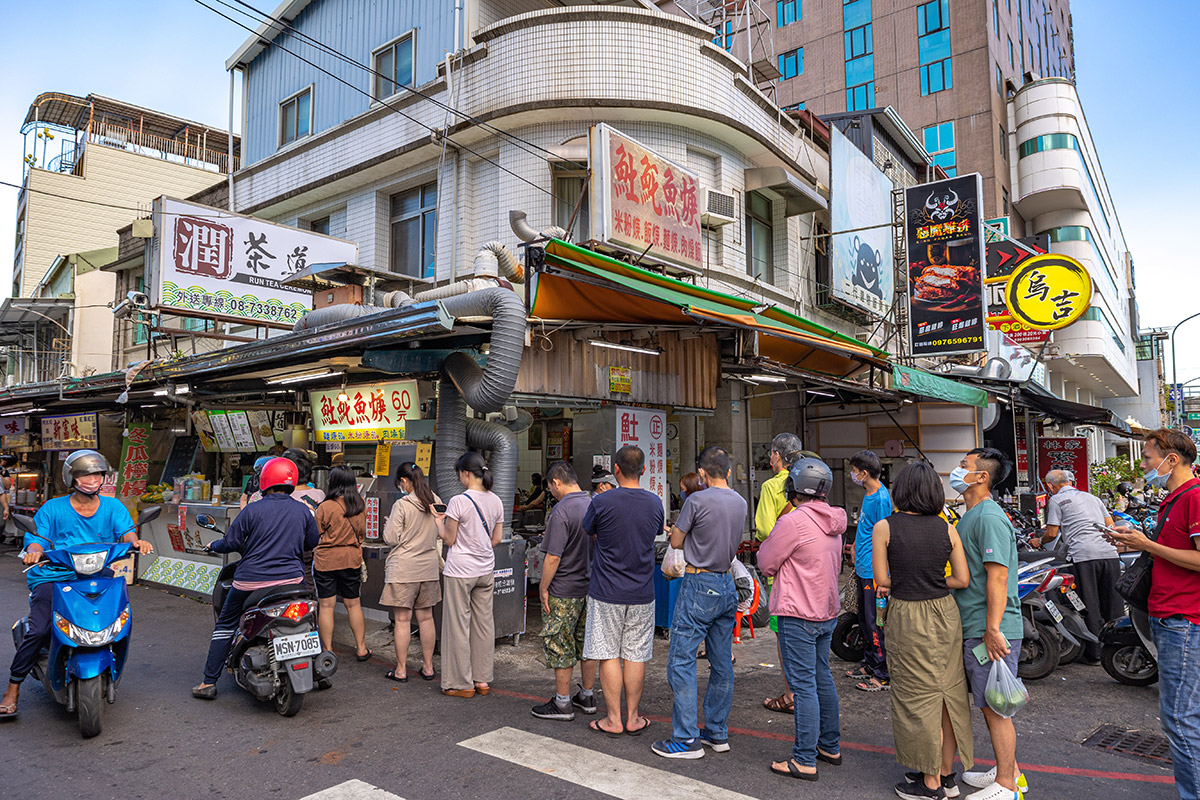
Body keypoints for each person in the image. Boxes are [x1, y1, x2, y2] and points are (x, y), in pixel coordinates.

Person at [0, 451, 153, 718]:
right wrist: (34, 551)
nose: (92, 480)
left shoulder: (113, 507)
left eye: (98, 475)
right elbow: (37, 539)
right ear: (72, 478)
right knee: (39, 629)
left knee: (119, 620)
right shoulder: (53, 508)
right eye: (85, 474)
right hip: (54, 575)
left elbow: (127, 533)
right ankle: (13, 689)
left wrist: (136, 542)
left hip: (97, 574)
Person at [1106, 429, 1200, 800]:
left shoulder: (1194, 497)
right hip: (1167, 616)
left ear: (1171, 459)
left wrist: (1147, 543)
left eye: (1147, 458)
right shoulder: (1172, 499)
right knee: (1184, 716)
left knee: (1180, 719)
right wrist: (1135, 540)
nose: (1143, 465)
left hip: (1183, 620)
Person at [873, 461, 974, 800]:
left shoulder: (885, 527)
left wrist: (907, 580)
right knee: (948, 693)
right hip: (945, 612)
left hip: (908, 614)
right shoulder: (947, 527)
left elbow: (882, 579)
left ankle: (929, 784)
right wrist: (934, 581)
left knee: (916, 696)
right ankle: (946, 775)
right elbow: (962, 579)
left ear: (901, 491)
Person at [192, 457, 318, 699]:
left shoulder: (252, 510)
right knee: (309, 619)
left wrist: (213, 545)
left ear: (264, 481)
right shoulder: (302, 510)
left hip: (251, 582)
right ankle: (318, 673)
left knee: (225, 624)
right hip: (292, 582)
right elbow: (312, 542)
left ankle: (208, 682)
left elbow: (231, 542)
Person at [653, 447, 747, 759]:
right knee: (721, 662)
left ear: (703, 474)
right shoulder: (740, 501)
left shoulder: (696, 501)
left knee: (681, 661)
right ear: (729, 472)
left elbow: (676, 540)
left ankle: (685, 739)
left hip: (699, 583)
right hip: (726, 583)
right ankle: (717, 732)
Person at [757, 457, 846, 780]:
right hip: (826, 611)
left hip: (797, 613)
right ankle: (829, 745)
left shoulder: (793, 522)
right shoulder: (835, 520)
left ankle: (805, 758)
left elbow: (766, 562)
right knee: (822, 678)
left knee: (803, 686)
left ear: (794, 487)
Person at [949, 447, 1027, 800]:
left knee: (996, 707)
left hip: (990, 629)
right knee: (988, 702)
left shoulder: (989, 517)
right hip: (977, 625)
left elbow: (998, 576)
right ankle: (1010, 771)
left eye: (963, 466)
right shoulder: (971, 515)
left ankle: (1007, 786)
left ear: (982, 476)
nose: (956, 470)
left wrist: (993, 629)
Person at [581, 445, 662, 736]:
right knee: (636, 655)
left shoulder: (602, 502)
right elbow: (654, 534)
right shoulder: (655, 503)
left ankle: (613, 719)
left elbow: (589, 531)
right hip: (642, 591)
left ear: (615, 470)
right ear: (644, 470)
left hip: (606, 590)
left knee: (608, 654)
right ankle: (634, 717)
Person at [531, 461, 598, 721]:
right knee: (587, 643)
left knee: (560, 643)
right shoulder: (593, 505)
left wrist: (543, 588)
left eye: (550, 487)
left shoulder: (561, 511)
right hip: (590, 588)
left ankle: (562, 703)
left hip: (564, 589)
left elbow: (553, 557)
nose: (550, 491)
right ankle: (588, 696)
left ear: (556, 482)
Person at [1032, 469, 1121, 665]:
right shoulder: (1092, 497)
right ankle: (1118, 649)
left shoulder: (1056, 500)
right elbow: (1110, 525)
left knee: (1089, 604)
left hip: (1083, 556)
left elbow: (1052, 533)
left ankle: (1094, 653)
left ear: (1050, 486)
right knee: (1113, 602)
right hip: (1109, 554)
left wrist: (1038, 541)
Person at [439, 452, 504, 698]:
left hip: (460, 571)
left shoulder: (459, 501)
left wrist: (438, 522)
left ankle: (460, 683)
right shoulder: (496, 500)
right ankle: (482, 679)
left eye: (459, 473)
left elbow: (449, 539)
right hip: (485, 570)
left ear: (466, 473)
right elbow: (496, 539)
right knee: (483, 625)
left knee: (457, 626)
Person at [754, 432, 804, 715]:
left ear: (777, 456)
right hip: (810, 570)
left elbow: (763, 530)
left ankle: (791, 694)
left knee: (784, 636)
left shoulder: (772, 486)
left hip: (781, 574)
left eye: (771, 453)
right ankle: (807, 692)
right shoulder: (807, 481)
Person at [381, 461, 444, 682]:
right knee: (426, 618)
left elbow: (391, 538)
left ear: (404, 481)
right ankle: (428, 667)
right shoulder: (435, 501)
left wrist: (388, 525)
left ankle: (400, 670)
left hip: (404, 570)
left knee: (402, 620)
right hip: (428, 568)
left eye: (401, 483)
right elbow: (439, 532)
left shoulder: (402, 504)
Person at [848, 449, 894, 692]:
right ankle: (869, 662)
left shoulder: (881, 499)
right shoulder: (869, 494)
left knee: (875, 622)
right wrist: (855, 545)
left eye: (854, 471)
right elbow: (866, 527)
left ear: (864, 473)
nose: (852, 474)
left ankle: (883, 672)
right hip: (863, 565)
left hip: (873, 571)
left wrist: (884, 578)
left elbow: (885, 536)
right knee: (865, 620)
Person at [313, 466, 370, 661]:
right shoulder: (360, 504)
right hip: (351, 558)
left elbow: (316, 533)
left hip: (326, 560)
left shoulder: (325, 506)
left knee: (326, 606)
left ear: (333, 482)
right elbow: (362, 533)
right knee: (353, 604)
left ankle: (328, 650)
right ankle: (361, 648)